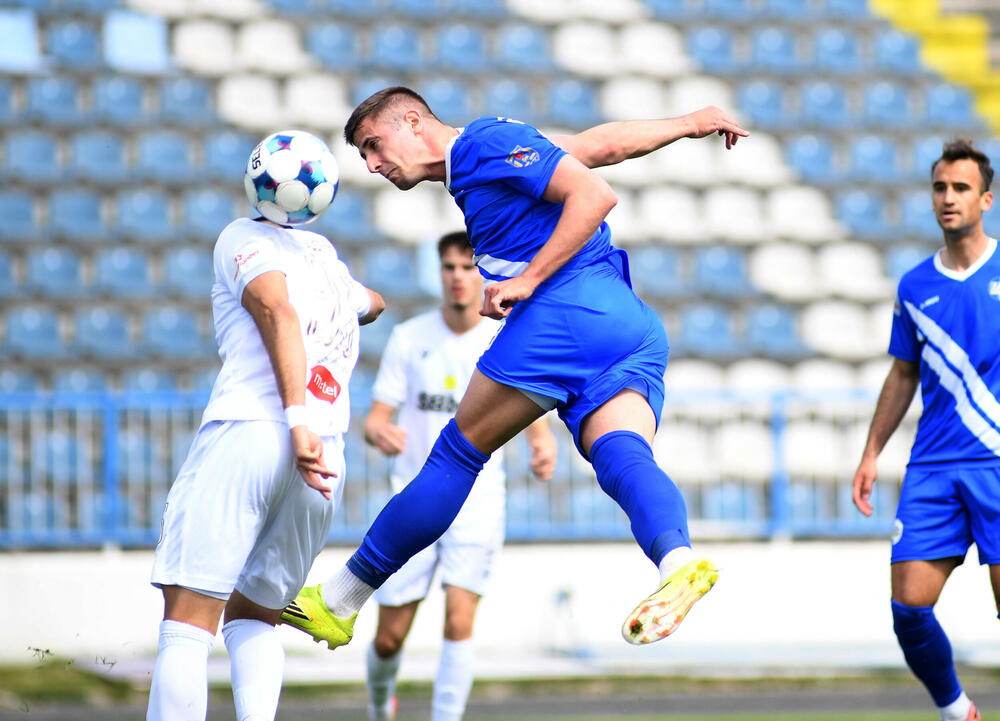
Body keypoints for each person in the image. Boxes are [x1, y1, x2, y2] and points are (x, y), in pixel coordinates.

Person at [280, 86, 748, 650]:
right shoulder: (488, 154)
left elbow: (594, 195)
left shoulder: (481, 141)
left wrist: (526, 280)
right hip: (625, 325)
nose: (374, 165)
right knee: (621, 454)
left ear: (412, 121)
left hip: (565, 313)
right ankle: (677, 561)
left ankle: (338, 600)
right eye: (364, 156)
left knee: (457, 453)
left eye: (374, 146)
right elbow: (597, 147)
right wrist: (690, 121)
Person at [146, 176, 385, 721]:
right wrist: (359, 304)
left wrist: (295, 420)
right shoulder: (324, 256)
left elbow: (277, 312)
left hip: (255, 429)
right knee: (257, 614)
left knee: (188, 618)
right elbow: (373, 302)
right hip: (326, 453)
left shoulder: (239, 236)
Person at [362, 230, 557, 721]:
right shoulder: (410, 338)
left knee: (459, 618)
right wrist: (380, 432)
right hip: (413, 499)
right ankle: (379, 705)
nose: (458, 277)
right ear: (439, 272)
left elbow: (530, 409)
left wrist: (542, 445)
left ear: (483, 272)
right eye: (449, 267)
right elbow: (375, 419)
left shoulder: (504, 337)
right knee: (389, 638)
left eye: (468, 267)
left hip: (478, 500)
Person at [851, 139, 999, 721]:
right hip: (934, 467)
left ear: (986, 199)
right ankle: (955, 710)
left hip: (995, 462)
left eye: (961, 188)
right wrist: (870, 454)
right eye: (940, 187)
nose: (948, 198)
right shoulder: (915, 286)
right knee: (909, 609)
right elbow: (902, 373)